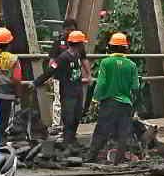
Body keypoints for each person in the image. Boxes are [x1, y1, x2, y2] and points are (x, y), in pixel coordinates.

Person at [85, 32, 140, 164]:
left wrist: (95, 99)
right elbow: (135, 87)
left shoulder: (106, 62)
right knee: (123, 134)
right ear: (125, 48)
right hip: (126, 104)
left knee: (101, 131)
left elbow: (101, 83)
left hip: (109, 103)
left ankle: (90, 157)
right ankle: (119, 159)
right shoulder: (132, 65)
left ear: (110, 47)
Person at [34, 29, 87, 148]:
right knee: (68, 117)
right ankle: (67, 143)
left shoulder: (77, 55)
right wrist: (37, 82)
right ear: (78, 44)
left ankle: (72, 140)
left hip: (77, 90)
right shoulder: (63, 58)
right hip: (68, 92)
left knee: (77, 115)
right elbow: (51, 70)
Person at [47, 18, 78, 134]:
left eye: (72, 30)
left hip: (73, 78)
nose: (70, 32)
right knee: (58, 101)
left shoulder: (77, 43)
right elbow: (52, 60)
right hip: (59, 77)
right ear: (64, 30)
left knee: (70, 102)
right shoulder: (58, 43)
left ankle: (68, 126)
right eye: (68, 30)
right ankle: (56, 125)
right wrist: (50, 75)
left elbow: (83, 60)